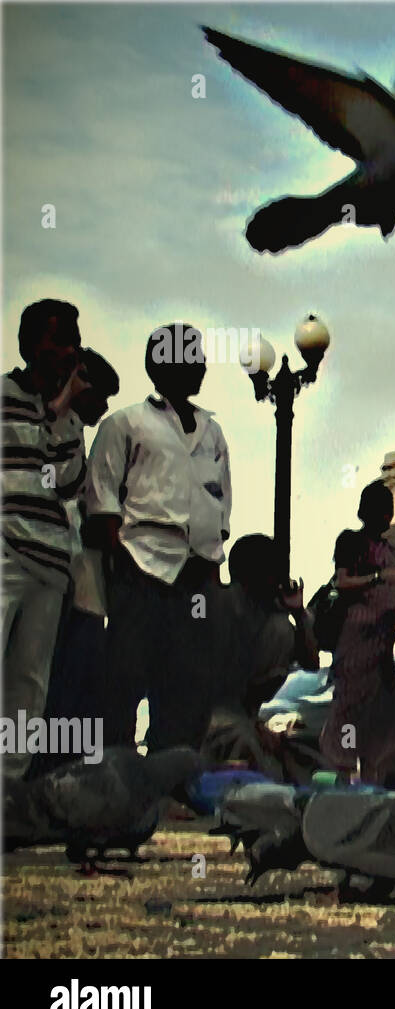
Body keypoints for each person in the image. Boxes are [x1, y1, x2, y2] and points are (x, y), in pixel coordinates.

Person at [85, 323, 232, 752]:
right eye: (192, 356)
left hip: (196, 575)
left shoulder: (213, 433)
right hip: (142, 565)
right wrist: (121, 566)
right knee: (125, 679)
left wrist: (212, 574)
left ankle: (170, 778)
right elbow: (103, 502)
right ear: (165, 364)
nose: (201, 365)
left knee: (188, 681)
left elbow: (220, 507)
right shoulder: (126, 424)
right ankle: (115, 773)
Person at [2, 300, 91, 780]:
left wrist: (60, 412)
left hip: (50, 562)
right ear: (30, 344)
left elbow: (64, 482)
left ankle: (8, 785)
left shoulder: (70, 421)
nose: (67, 351)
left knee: (29, 681)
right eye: (58, 340)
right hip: (6, 551)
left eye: (72, 342)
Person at [26, 348, 120, 779]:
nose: (104, 408)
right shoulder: (55, 426)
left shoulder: (77, 430)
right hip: (65, 576)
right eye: (100, 396)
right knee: (61, 680)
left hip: (80, 581)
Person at [320, 483, 395, 785]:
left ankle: (371, 783)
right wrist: (380, 577)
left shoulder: (391, 550)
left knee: (380, 725)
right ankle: (344, 782)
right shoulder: (352, 542)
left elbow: (391, 599)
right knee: (349, 720)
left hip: (381, 655)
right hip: (356, 651)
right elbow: (342, 583)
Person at [203, 534, 319, 779]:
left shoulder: (273, 615)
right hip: (215, 720)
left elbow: (311, 663)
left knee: (304, 757)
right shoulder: (223, 606)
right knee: (256, 759)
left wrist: (298, 613)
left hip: (245, 719)